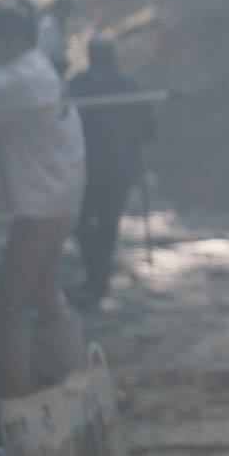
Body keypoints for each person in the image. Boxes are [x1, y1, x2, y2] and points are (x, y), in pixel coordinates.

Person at [0, 6, 87, 399]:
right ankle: (70, 380)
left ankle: (14, 399)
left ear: (12, 39)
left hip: (43, 204)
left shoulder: (17, 78)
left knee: (9, 304)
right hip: (58, 198)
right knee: (45, 296)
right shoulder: (37, 69)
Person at [67, 38, 156, 303]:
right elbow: (149, 130)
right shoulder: (132, 86)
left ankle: (97, 275)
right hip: (121, 167)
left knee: (83, 222)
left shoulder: (81, 84)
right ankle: (100, 276)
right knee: (108, 223)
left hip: (89, 167)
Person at [36, 0, 73, 76]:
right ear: (58, 9)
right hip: (50, 68)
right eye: (64, 11)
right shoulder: (48, 25)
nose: (66, 14)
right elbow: (45, 50)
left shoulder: (59, 25)